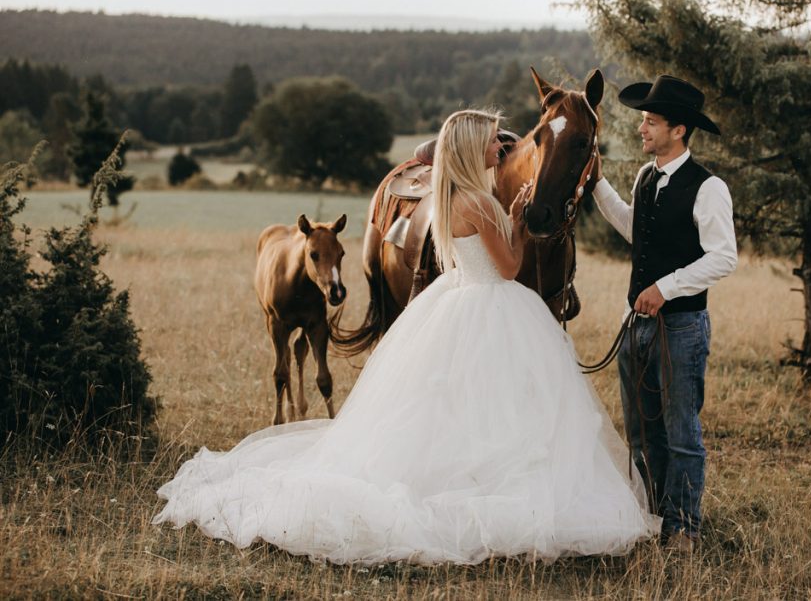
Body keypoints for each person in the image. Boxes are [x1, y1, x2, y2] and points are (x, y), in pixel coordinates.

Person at [154, 109, 659, 565]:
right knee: (504, 402)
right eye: (490, 141)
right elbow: (507, 269)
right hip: (492, 303)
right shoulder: (482, 203)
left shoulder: (451, 199)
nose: (499, 148)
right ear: (468, 148)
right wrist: (519, 226)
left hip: (455, 301)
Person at [592, 75, 738, 551]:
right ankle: (651, 517)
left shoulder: (709, 187)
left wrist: (665, 288)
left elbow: (723, 257)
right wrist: (596, 185)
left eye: (650, 122)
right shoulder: (645, 176)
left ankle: (684, 527)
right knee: (640, 430)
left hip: (682, 328)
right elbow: (637, 231)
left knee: (681, 432)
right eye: (643, 121)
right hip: (636, 326)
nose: (642, 129)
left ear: (679, 130)